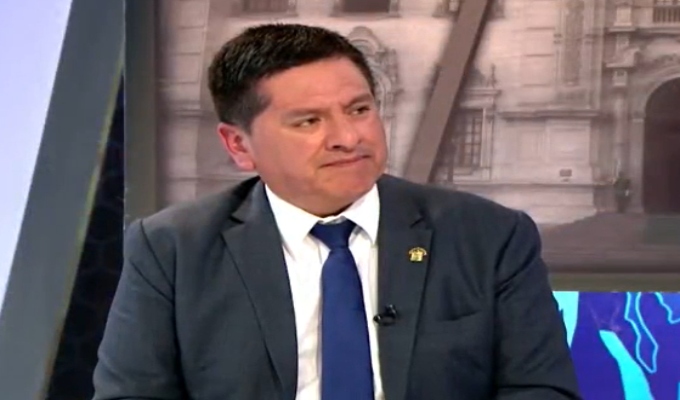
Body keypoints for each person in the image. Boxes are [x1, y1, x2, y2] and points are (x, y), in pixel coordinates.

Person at [93, 23, 582, 400]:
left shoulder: (489, 236)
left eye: (359, 110)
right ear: (239, 145)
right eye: (309, 121)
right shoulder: (172, 249)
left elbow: (541, 390)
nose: (349, 137)